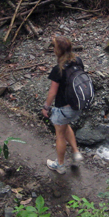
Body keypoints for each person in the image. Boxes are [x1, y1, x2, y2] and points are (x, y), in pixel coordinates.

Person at [41, 36, 84, 174]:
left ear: (57, 51)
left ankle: (59, 165)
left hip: (64, 109)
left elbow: (52, 92)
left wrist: (46, 107)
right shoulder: (78, 61)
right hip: (77, 105)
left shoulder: (58, 69)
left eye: (54, 47)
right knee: (65, 126)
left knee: (59, 134)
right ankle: (76, 153)